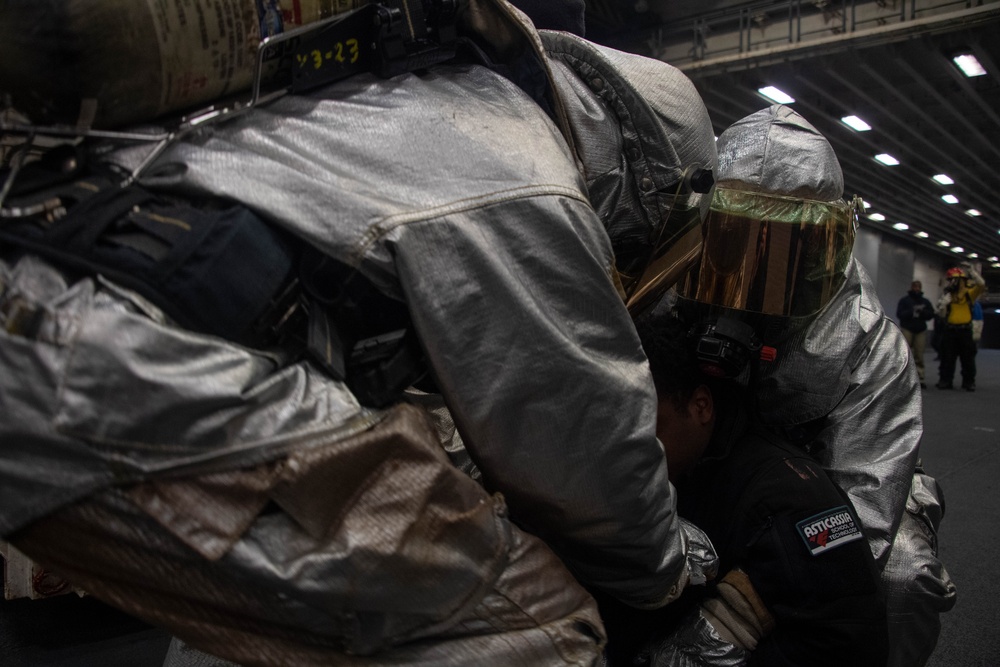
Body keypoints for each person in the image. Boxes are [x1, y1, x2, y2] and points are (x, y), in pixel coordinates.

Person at [0, 2, 718, 664]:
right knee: (538, 628)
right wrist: (668, 570)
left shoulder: (379, 96)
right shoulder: (531, 177)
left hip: (52, 295)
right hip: (113, 359)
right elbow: (584, 457)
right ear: (650, 177)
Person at [672, 104, 955, 667]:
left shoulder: (867, 343)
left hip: (819, 486)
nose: (757, 274)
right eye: (736, 240)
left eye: (787, 250)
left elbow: (858, 519)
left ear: (830, 244)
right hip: (701, 470)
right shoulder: (670, 284)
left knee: (903, 578)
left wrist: (736, 613)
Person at [601, 312, 889, 666]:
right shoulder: (683, 466)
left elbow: (850, 641)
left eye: (646, 428)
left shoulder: (794, 499)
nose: (630, 452)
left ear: (700, 406)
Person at [936, 263, 986, 391]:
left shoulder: (970, 294)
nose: (950, 283)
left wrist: (972, 272)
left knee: (968, 358)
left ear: (960, 280)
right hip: (950, 330)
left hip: (965, 330)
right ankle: (945, 380)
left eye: (953, 280)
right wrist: (942, 305)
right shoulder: (948, 295)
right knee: (947, 358)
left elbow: (981, 284)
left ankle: (969, 382)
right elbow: (941, 314)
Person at [897, 280, 935, 388]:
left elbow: (931, 314)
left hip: (920, 330)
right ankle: (903, 378)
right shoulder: (905, 301)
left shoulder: (925, 302)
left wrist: (922, 312)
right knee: (905, 354)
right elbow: (899, 314)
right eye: (915, 286)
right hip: (907, 328)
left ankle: (920, 377)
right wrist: (911, 311)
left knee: (919, 354)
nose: (917, 289)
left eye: (919, 287)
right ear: (912, 287)